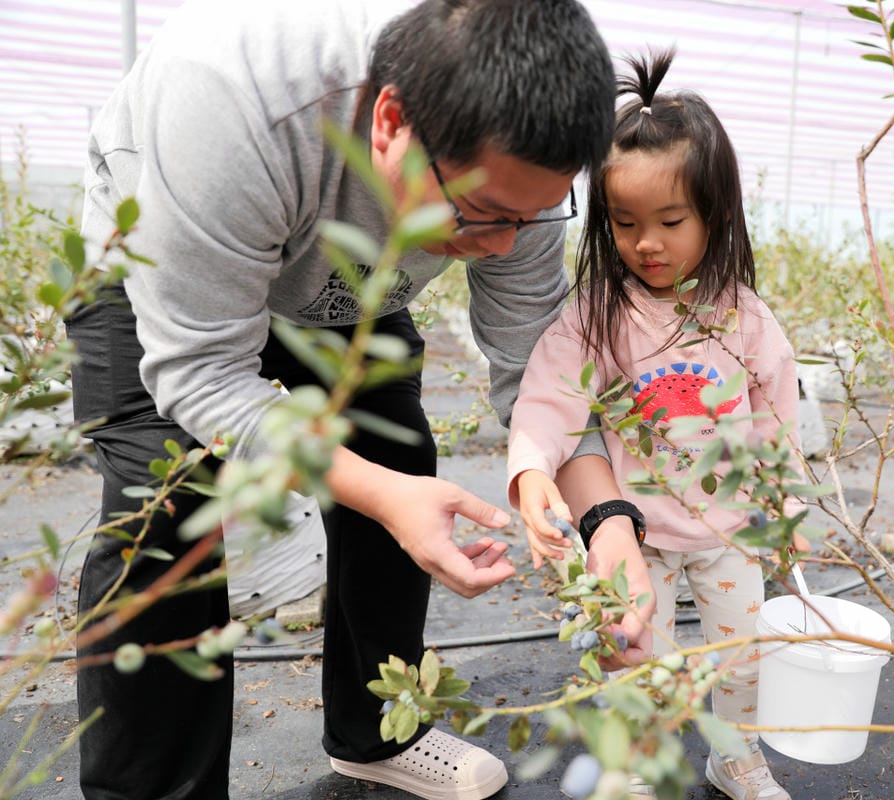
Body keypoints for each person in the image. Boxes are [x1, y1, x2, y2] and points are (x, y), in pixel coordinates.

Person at [65, 2, 653, 799]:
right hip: (166, 272)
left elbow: (537, 373)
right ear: (390, 122)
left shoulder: (522, 182)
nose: (503, 245)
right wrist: (382, 498)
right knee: (166, 507)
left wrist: (606, 521)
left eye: (529, 216)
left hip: (337, 289)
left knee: (397, 453)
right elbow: (201, 372)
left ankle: (376, 733)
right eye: (481, 216)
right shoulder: (231, 98)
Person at [506, 50, 809, 800]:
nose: (648, 243)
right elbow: (547, 398)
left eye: (671, 221)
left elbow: (776, 415)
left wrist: (786, 508)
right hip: (637, 535)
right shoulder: (598, 317)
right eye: (626, 223)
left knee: (743, 659)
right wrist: (532, 467)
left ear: (716, 212)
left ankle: (737, 759)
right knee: (635, 659)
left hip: (730, 532)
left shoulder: (745, 318)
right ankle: (635, 764)